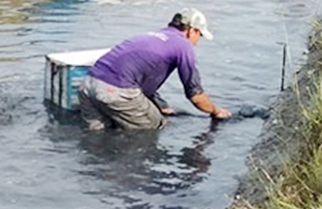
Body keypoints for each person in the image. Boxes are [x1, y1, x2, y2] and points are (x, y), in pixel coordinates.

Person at [77, 8, 231, 130]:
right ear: (192, 31)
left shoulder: (150, 35)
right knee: (154, 127)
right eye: (200, 36)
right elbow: (195, 95)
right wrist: (216, 111)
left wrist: (161, 105)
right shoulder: (184, 46)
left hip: (88, 85)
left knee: (98, 136)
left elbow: (140, 76)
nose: (198, 41)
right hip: (116, 92)